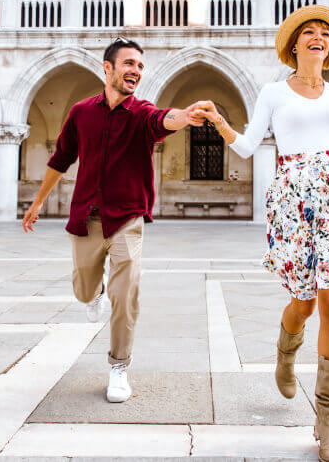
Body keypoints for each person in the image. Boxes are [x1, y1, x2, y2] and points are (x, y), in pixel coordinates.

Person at [193, 5, 329, 462]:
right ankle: (286, 353)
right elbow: (248, 146)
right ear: (293, 46)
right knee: (304, 303)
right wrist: (220, 121)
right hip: (291, 199)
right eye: (309, 32)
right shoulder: (273, 92)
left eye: (325, 35)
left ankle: (328, 419)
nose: (318, 38)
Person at [22, 37, 205, 403]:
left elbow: (161, 119)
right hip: (85, 217)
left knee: (127, 295)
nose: (135, 70)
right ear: (108, 68)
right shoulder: (80, 113)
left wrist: (184, 116)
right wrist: (37, 202)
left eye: (140, 65)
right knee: (83, 289)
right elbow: (61, 159)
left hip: (126, 217)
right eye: (128, 64)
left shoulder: (142, 113)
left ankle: (119, 366)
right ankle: (95, 293)